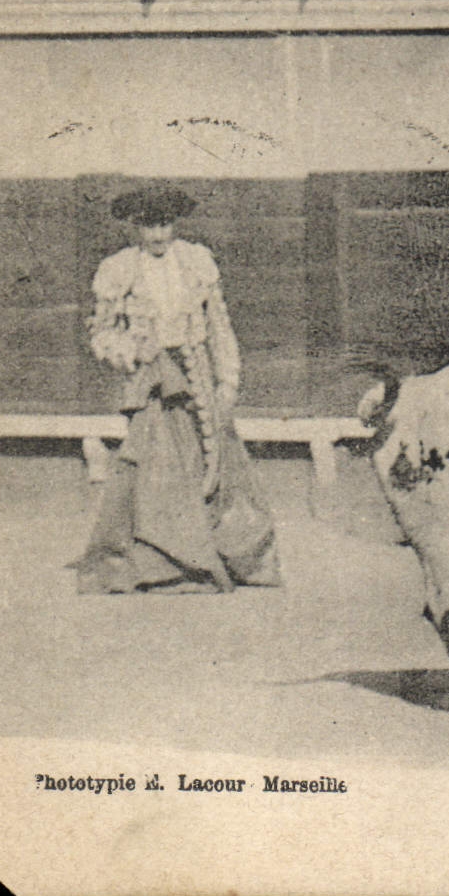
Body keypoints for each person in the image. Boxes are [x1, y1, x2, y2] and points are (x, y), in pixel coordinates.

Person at [71, 187, 279, 595]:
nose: (158, 234)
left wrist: (228, 380)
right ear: (135, 228)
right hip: (154, 383)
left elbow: (219, 326)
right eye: (149, 226)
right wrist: (131, 353)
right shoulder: (120, 269)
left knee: (217, 462)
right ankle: (165, 564)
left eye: (164, 224)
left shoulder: (196, 262)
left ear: (175, 224)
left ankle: (223, 556)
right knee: (155, 466)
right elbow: (101, 333)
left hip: (197, 373)